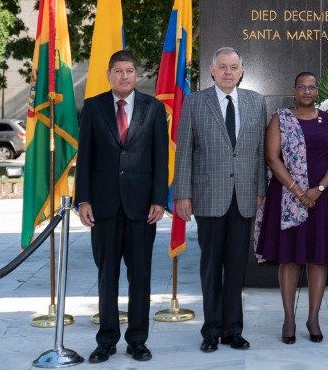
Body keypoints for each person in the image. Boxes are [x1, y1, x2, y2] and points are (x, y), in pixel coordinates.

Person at [171, 46, 267, 353]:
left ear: (241, 71)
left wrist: (261, 190)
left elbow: (259, 152)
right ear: (212, 71)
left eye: (234, 67)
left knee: (237, 267)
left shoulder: (255, 102)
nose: (228, 72)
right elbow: (184, 150)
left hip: (244, 197)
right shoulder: (195, 102)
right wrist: (182, 193)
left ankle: (233, 330)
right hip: (208, 196)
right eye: (222, 67)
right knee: (211, 266)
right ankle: (211, 330)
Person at [76, 50, 168, 364]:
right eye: (118, 70)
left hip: (143, 208)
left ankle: (137, 341)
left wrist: (160, 199)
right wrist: (83, 199)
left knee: (140, 276)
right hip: (103, 207)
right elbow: (85, 157)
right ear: (109, 74)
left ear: (136, 74)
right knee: (107, 276)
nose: (124, 76)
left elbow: (160, 159)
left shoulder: (154, 108)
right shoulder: (93, 107)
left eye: (129, 70)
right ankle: (106, 341)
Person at [256, 71, 328, 343]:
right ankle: (289, 318)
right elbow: (272, 159)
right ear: (294, 89)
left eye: (312, 88)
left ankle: (313, 318)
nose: (307, 92)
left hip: (324, 199)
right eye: (302, 87)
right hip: (287, 197)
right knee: (289, 259)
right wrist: (299, 191)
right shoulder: (280, 119)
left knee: (317, 258)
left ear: (317, 91)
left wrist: (317, 189)